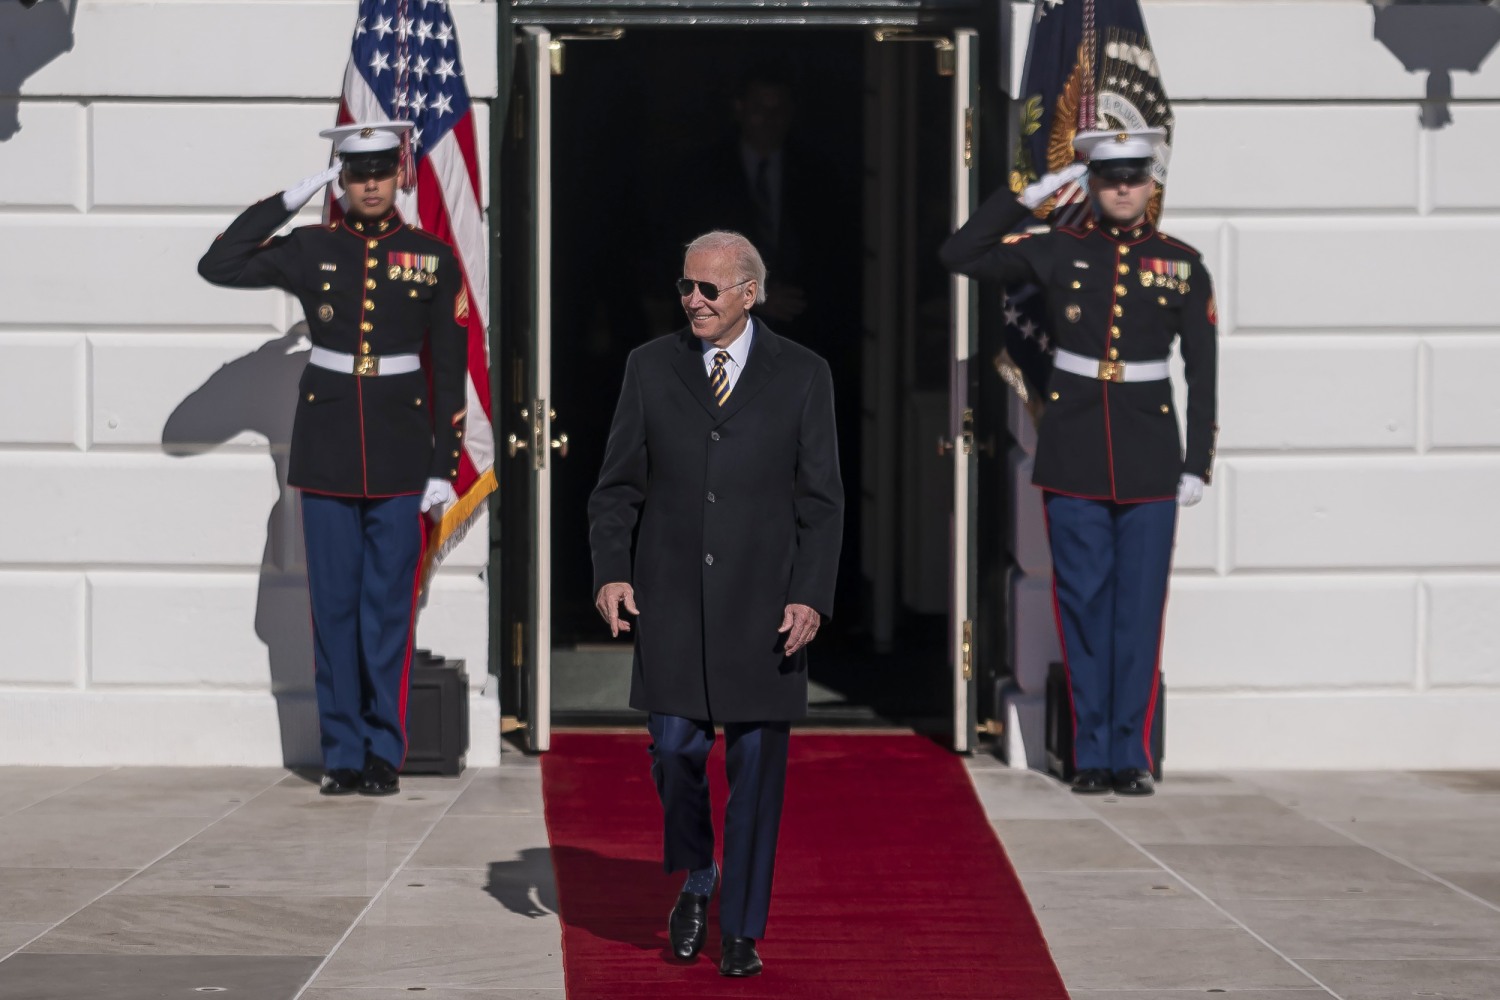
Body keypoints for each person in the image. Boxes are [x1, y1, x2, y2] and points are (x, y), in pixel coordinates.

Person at [588, 231, 843, 976]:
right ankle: (699, 877)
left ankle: (742, 929)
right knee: (673, 750)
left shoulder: (803, 374)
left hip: (767, 608)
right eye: (686, 288)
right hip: (671, 597)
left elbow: (822, 502)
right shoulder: (649, 366)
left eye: (709, 289)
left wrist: (810, 597)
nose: (693, 301)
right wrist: (610, 571)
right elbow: (616, 487)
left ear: (748, 294)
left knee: (759, 771)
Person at [940, 128, 1218, 797]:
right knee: (1083, 602)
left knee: (1140, 609)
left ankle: (1132, 754)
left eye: (1135, 177)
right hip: (1074, 446)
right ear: (1092, 185)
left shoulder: (1181, 263)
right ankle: (1091, 754)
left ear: (1151, 185)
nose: (1123, 188)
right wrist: (1025, 197)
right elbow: (961, 253)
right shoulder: (1058, 247)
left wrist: (1196, 461)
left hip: (1151, 452)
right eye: (1110, 177)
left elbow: (1203, 372)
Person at [198, 121, 469, 797]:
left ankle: (384, 752)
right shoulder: (310, 246)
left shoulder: (430, 257)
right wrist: (287, 199)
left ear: (399, 174)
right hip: (326, 450)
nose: (370, 184)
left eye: (381, 171)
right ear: (340, 180)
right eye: (356, 173)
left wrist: (444, 464)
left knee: (386, 612)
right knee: (335, 609)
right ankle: (341, 752)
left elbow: (449, 371)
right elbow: (219, 264)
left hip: (404, 453)